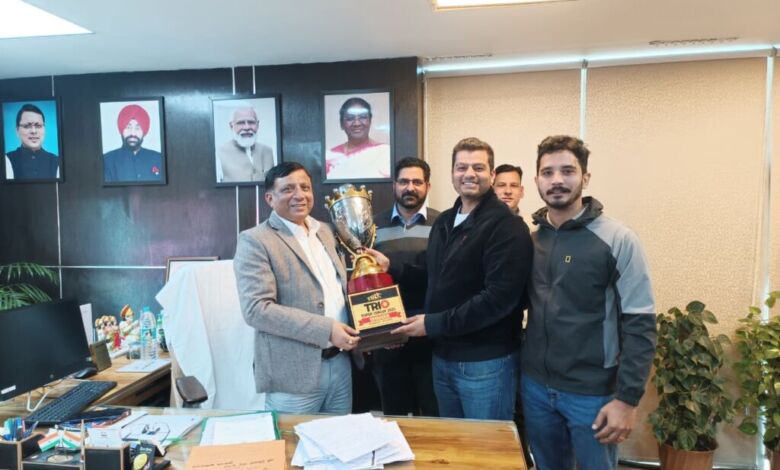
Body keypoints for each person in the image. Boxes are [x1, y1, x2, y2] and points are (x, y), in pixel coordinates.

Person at [371, 137, 533, 420]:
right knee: (453, 441)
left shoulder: (507, 226)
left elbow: (497, 299)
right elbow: (433, 274)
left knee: (485, 445)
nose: (469, 174)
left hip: (485, 364)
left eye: (478, 167)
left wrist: (432, 323)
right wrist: (391, 266)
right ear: (452, 174)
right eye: (462, 167)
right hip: (443, 358)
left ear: (492, 174)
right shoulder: (446, 221)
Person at [521, 135, 656, 470]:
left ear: (586, 177)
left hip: (592, 394)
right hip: (536, 388)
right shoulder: (531, 241)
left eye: (567, 171)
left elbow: (640, 323)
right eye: (548, 172)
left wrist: (627, 400)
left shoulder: (618, 239)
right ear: (536, 180)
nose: (557, 180)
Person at [233, 162, 360, 414]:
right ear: (270, 198)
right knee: (291, 440)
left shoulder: (326, 231)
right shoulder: (255, 240)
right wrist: (327, 329)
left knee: (339, 437)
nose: (300, 195)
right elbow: (257, 310)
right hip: (293, 375)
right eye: (288, 189)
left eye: (305, 187)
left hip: (341, 363)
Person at [371, 157, 440, 417]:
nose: (410, 188)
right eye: (403, 181)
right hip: (388, 337)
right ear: (394, 185)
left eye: (417, 182)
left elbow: (442, 278)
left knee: (434, 417)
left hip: (430, 335)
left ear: (428, 186)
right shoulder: (371, 226)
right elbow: (365, 284)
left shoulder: (442, 224)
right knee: (394, 418)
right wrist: (378, 332)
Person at [325, 97, 390, 180]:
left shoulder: (384, 152)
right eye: (350, 118)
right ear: (342, 124)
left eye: (362, 117)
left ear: (370, 121)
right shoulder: (330, 156)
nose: (357, 123)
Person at [103, 104, 163, 183]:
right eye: (128, 127)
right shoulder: (107, 160)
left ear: (144, 131)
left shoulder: (159, 158)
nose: (133, 133)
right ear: (121, 130)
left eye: (138, 128)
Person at [216, 106, 275, 183]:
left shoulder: (268, 151)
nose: (247, 127)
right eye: (240, 123)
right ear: (231, 126)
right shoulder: (219, 153)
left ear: (257, 125)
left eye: (251, 122)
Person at [5, 103, 59, 180]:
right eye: (27, 126)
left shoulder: (56, 162)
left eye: (38, 126)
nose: (33, 131)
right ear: (17, 131)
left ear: (44, 129)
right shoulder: (7, 160)